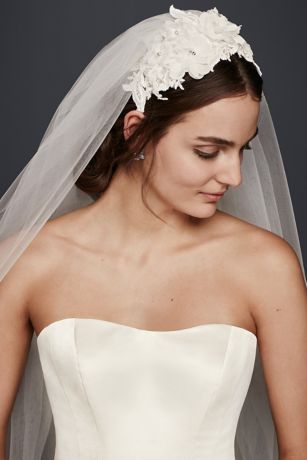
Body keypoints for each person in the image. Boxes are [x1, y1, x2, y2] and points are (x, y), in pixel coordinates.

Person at [0, 4, 306, 460]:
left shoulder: (266, 267)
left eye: (243, 149)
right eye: (208, 151)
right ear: (137, 133)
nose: (235, 176)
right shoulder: (27, 261)